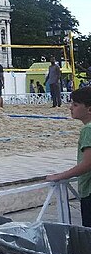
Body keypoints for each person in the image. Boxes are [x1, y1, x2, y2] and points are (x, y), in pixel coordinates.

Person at [46, 87, 91, 226]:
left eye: (75, 105)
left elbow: (87, 164)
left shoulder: (87, 130)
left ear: (89, 109)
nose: (71, 107)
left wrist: (61, 175)